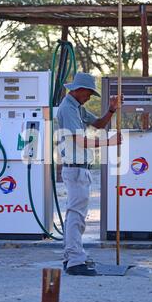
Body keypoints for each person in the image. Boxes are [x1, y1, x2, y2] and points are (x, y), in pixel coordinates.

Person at [57, 72, 122, 276]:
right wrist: (108, 143)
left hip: (77, 167)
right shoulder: (68, 109)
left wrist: (111, 110)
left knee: (74, 214)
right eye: (88, 93)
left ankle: (71, 256)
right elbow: (80, 141)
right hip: (75, 167)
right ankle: (76, 260)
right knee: (76, 214)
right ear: (78, 90)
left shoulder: (76, 108)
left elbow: (99, 124)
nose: (89, 97)